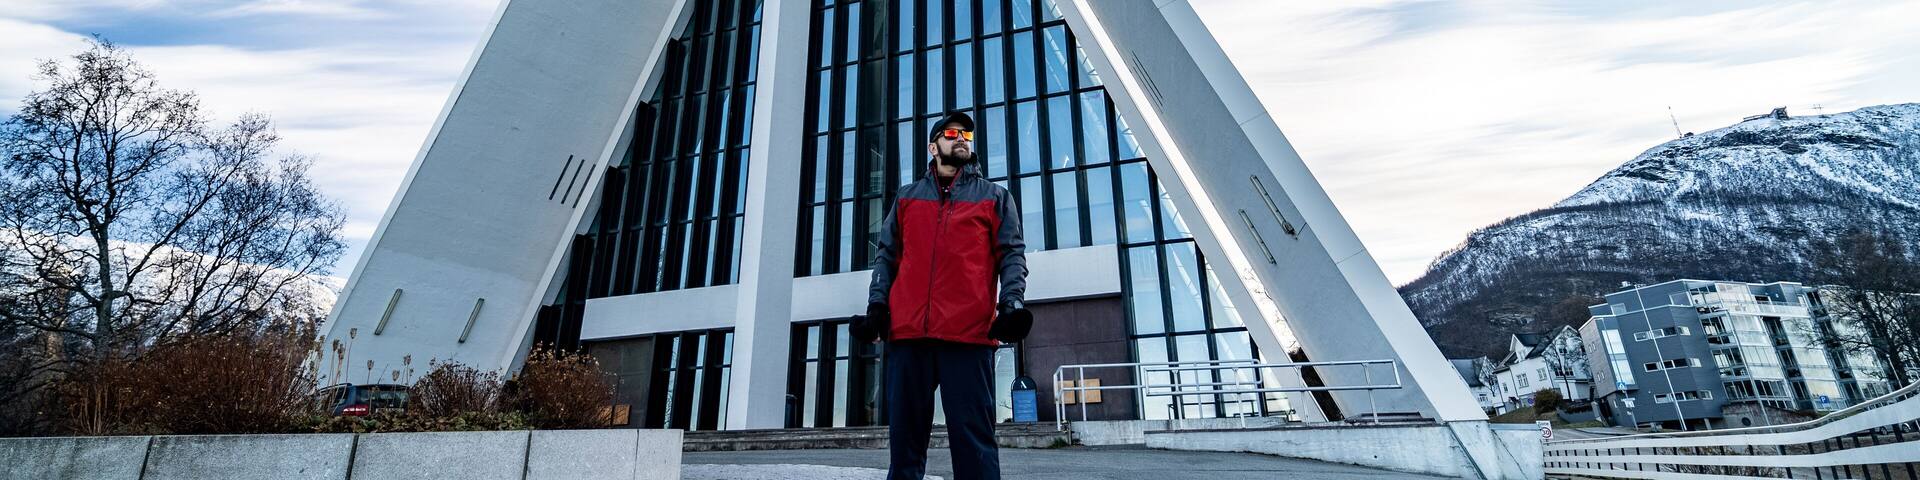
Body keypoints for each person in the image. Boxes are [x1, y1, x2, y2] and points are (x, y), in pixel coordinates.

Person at [854, 111, 1032, 480]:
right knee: (905, 446)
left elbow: (1012, 255)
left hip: (968, 337)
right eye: (952, 133)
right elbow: (886, 257)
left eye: (967, 133)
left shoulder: (995, 198)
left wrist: (1011, 304)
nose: (962, 137)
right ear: (933, 147)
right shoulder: (906, 199)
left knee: (974, 446)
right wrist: (877, 306)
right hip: (908, 339)